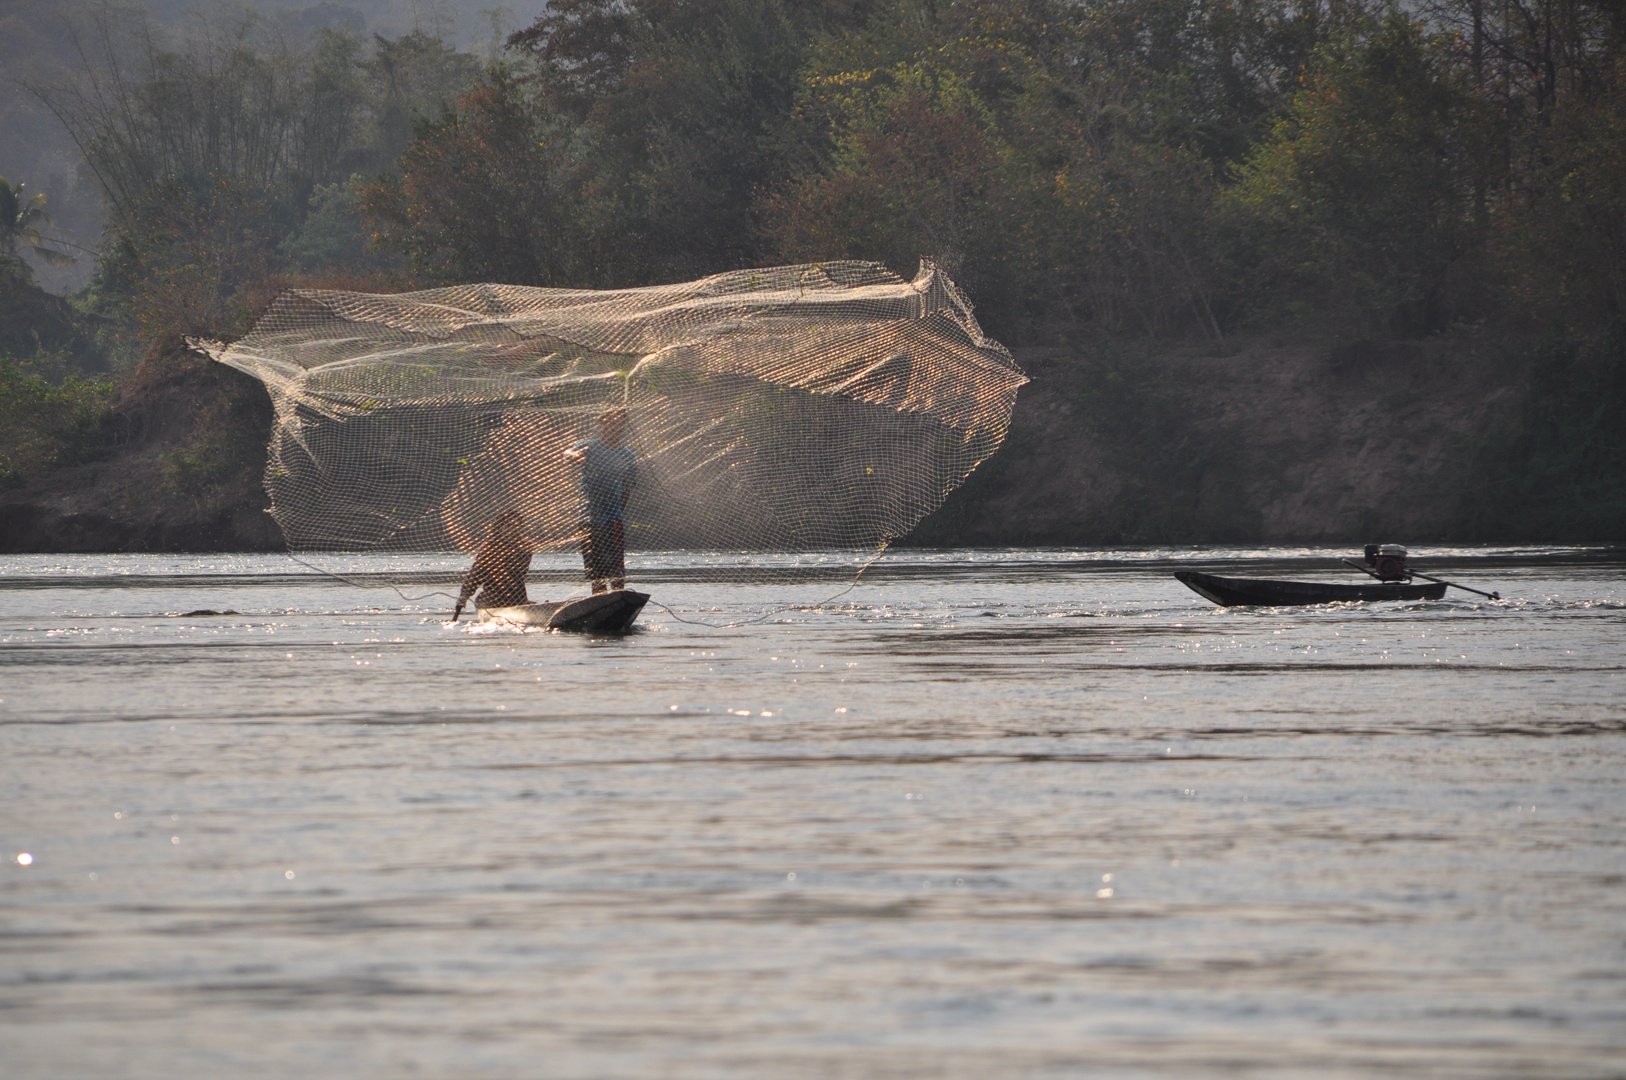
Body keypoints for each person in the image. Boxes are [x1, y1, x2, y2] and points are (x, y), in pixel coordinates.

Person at [565, 408, 637, 593]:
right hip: (587, 518)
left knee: (615, 566)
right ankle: (599, 599)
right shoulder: (588, 446)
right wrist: (574, 456)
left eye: (618, 423)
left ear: (623, 426)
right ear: (601, 425)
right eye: (609, 422)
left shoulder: (628, 456)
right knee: (594, 567)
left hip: (612, 518)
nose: (614, 426)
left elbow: (627, 489)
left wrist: (617, 513)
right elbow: (568, 453)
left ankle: (618, 597)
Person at [452, 511, 532, 619]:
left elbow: (519, 572)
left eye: (516, 526)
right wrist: (464, 596)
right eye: (508, 526)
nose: (513, 529)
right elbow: (476, 574)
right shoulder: (489, 548)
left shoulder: (524, 547)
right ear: (500, 527)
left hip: (517, 598)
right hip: (491, 599)